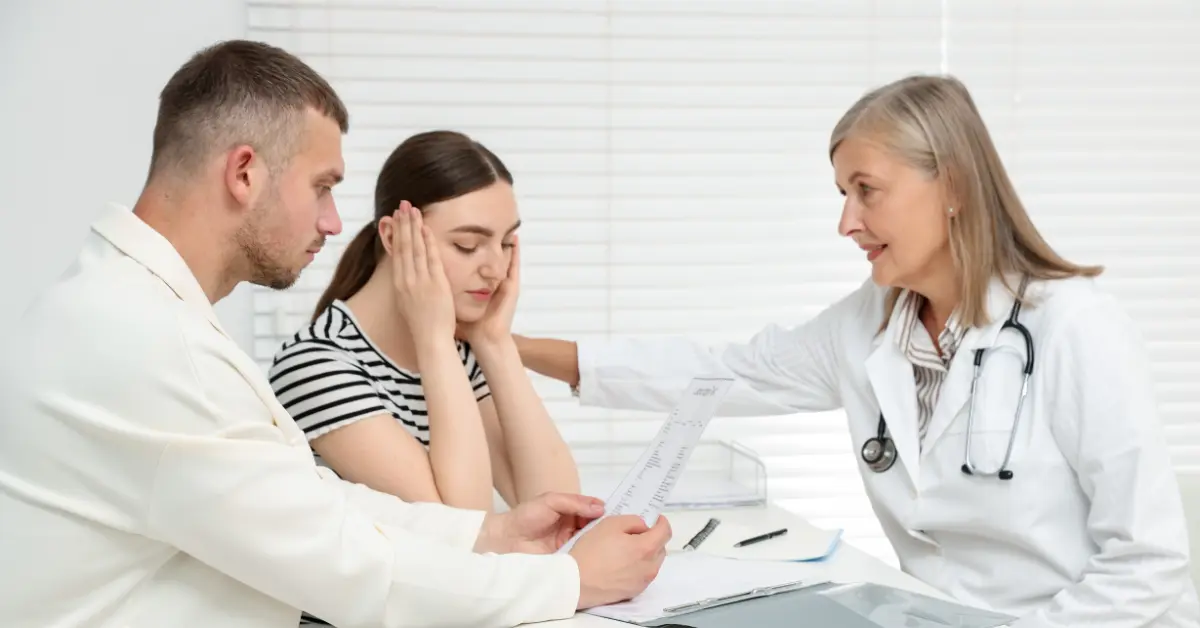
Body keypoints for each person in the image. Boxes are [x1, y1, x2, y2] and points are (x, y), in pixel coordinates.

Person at [0, 39, 670, 628]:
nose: (330, 221)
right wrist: (572, 581)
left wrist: (489, 533)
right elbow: (351, 569)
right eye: (321, 187)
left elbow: (313, 504)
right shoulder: (147, 344)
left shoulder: (132, 311)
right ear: (243, 173)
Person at [514, 75, 1199, 627]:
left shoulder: (1074, 327)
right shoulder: (867, 327)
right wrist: (507, 347)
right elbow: (717, 373)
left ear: (954, 186)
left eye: (866, 191)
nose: (846, 222)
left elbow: (1149, 563)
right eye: (844, 194)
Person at [268, 130, 578, 519]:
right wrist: (433, 337)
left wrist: (495, 342)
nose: (496, 269)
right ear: (395, 237)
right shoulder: (315, 368)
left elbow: (563, 509)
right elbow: (463, 526)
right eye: (467, 245)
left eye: (507, 244)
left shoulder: (463, 355)